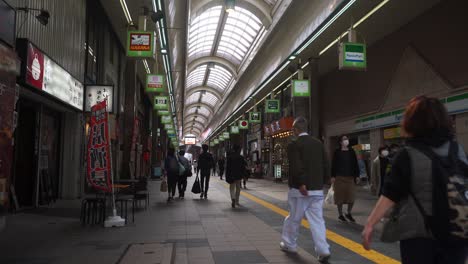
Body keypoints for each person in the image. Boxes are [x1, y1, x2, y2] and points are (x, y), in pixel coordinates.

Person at [362, 96, 468, 264]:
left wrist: (370, 224)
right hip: (456, 232)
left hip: (419, 237)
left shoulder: (407, 155)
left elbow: (390, 194)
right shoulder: (457, 150)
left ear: (412, 122)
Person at [280, 117, 331, 263]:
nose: (292, 132)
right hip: (317, 189)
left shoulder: (294, 144)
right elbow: (326, 163)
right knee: (317, 221)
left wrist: (301, 183)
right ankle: (323, 250)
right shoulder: (318, 143)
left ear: (296, 129)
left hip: (299, 190)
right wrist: (326, 180)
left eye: (293, 129)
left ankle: (289, 244)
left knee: (294, 218)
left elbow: (296, 165)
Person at [331, 135, 360, 222]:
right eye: (344, 139)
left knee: (351, 197)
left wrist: (357, 175)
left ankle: (348, 212)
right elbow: (334, 164)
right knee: (340, 197)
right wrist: (332, 176)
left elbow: (355, 164)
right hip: (339, 177)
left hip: (350, 177)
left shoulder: (352, 151)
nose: (346, 140)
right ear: (340, 142)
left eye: (347, 139)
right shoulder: (337, 152)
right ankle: (340, 214)